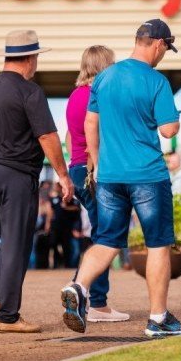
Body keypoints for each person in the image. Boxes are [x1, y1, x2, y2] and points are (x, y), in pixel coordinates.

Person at [60, 18, 181, 338]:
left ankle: (78, 286)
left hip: (109, 176)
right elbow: (168, 130)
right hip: (147, 174)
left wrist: (97, 164)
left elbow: (91, 123)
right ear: (158, 44)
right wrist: (173, 119)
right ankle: (158, 318)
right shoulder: (155, 81)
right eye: (165, 49)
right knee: (158, 244)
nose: (163, 55)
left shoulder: (104, 78)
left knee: (106, 239)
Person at [0, 29, 74, 334]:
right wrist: (63, 175)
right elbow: (47, 136)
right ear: (30, 58)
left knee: (9, 241)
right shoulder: (30, 91)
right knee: (17, 244)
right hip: (15, 175)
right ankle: (9, 317)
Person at [64, 44, 129, 322]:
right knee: (107, 237)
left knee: (101, 233)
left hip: (77, 169)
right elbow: (102, 136)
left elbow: (69, 136)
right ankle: (97, 304)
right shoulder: (99, 96)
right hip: (97, 172)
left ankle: (77, 291)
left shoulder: (74, 96)